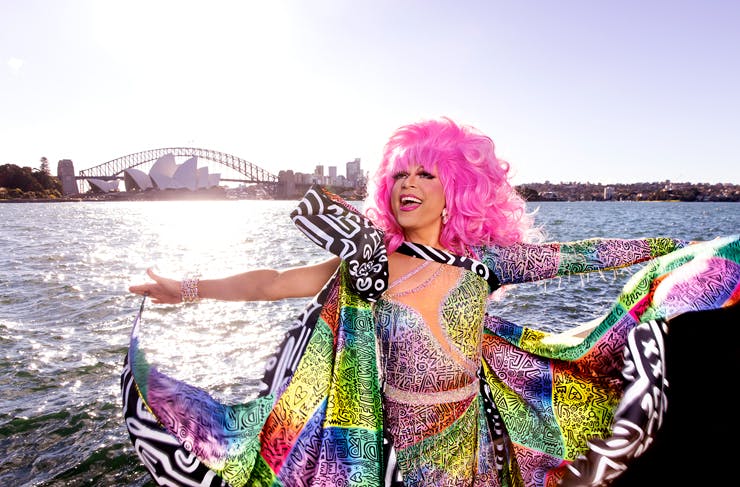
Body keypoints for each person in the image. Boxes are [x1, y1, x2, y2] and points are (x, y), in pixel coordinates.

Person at [125, 117, 739, 487]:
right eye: (399, 176)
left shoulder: (484, 265)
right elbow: (272, 280)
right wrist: (185, 289)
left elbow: (585, 256)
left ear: (457, 191)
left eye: (426, 175)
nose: (409, 186)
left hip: (469, 437)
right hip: (392, 443)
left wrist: (682, 243)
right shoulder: (364, 265)